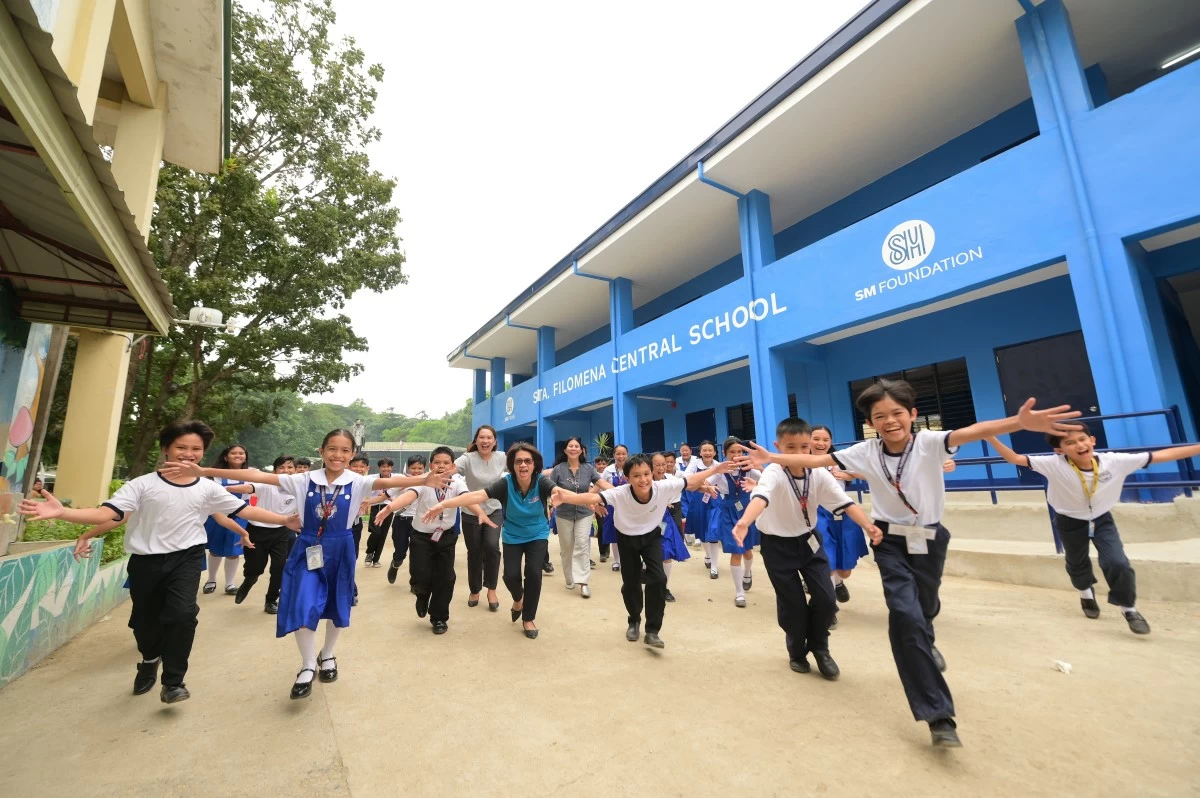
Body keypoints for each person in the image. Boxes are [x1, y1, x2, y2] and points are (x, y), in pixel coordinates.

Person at [736, 379, 1081, 747]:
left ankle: (925, 636)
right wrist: (771, 461)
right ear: (870, 422)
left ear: (913, 415)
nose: (889, 421)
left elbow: (974, 430)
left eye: (897, 413)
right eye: (879, 416)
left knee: (925, 606)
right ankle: (938, 715)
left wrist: (1017, 423)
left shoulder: (931, 442)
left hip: (930, 536)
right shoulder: (866, 452)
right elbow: (816, 459)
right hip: (891, 541)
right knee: (904, 614)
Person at [21, 421, 300, 703]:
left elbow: (244, 508)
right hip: (146, 561)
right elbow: (109, 513)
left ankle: (174, 681)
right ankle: (149, 660)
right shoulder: (141, 485)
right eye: (181, 447)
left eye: (196, 449)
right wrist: (63, 513)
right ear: (166, 449)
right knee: (144, 623)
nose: (188, 454)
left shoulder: (207, 488)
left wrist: (284, 520)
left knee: (182, 616)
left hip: (187, 559)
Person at [160, 428, 450, 699]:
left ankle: (328, 654)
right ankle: (308, 664)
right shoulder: (303, 479)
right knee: (303, 602)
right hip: (308, 547)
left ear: (352, 454)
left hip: (341, 547)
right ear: (322, 451)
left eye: (345, 450)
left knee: (338, 604)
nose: (338, 455)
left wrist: (422, 480)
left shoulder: (358, 481)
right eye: (332, 449)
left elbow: (389, 482)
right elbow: (258, 477)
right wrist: (204, 471)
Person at [987, 426, 1200, 634]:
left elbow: (1162, 455)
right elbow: (1015, 458)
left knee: (1117, 562)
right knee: (1077, 561)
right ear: (1059, 450)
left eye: (1082, 439)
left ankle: (1129, 609)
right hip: (1068, 519)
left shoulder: (1114, 462)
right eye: (1070, 443)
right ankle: (1085, 593)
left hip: (1101, 519)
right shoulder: (1052, 464)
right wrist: (991, 438)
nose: (1079, 445)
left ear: (1093, 440)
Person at [732, 418, 882, 680]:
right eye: (790, 447)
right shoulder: (774, 472)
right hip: (777, 546)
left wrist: (868, 526)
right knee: (793, 605)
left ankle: (820, 647)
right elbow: (761, 497)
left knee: (825, 599)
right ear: (778, 447)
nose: (799, 453)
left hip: (810, 541)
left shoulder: (819, 474)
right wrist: (745, 521)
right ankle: (797, 652)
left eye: (804, 446)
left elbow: (845, 503)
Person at [553, 453, 735, 648]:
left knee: (658, 579)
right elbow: (592, 496)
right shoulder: (620, 492)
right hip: (626, 538)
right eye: (637, 475)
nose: (643, 479)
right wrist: (566, 497)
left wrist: (716, 469)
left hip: (651, 537)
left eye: (646, 474)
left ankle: (652, 630)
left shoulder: (662, 487)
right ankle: (634, 620)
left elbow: (689, 481)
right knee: (631, 584)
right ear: (627, 478)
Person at [428, 442, 553, 639]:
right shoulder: (505, 483)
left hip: (537, 534)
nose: (523, 465)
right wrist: (444, 504)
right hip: (512, 535)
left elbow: (560, 493)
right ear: (511, 464)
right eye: (518, 461)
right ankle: (518, 598)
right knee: (510, 576)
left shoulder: (541, 482)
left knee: (534, 574)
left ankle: (528, 618)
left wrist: (591, 499)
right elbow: (477, 495)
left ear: (534, 464)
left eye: (528, 461)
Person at [375, 447, 494, 634]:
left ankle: (439, 618)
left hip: (445, 537)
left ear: (453, 466)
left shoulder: (457, 483)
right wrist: (390, 508)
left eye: (446, 463)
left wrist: (479, 512)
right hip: (421, 537)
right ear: (430, 465)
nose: (441, 466)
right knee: (420, 573)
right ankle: (421, 595)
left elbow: (466, 498)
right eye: (437, 462)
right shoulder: (425, 482)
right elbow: (409, 495)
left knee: (446, 578)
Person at [810, 426, 869, 605]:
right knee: (826, 561)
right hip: (817, 515)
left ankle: (839, 583)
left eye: (825, 439)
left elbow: (868, 474)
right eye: (816, 438)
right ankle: (829, 607)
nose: (821, 443)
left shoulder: (839, 459)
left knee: (844, 570)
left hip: (843, 514)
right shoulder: (803, 461)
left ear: (830, 442)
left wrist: (848, 475)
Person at [545, 437, 611, 599]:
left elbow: (602, 483)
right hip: (564, 514)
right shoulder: (558, 469)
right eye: (570, 446)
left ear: (581, 450)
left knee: (582, 545)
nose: (573, 448)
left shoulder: (588, 469)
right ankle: (569, 578)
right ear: (565, 450)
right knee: (567, 548)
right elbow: (550, 488)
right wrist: (552, 502)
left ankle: (583, 582)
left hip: (584, 513)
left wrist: (623, 492)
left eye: (576, 446)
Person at [235, 455, 298, 614]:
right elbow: (249, 488)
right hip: (257, 530)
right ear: (275, 470)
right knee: (255, 567)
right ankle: (249, 580)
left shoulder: (300, 488)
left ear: (295, 470)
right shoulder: (267, 483)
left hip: (281, 531)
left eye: (290, 467)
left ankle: (271, 600)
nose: (286, 471)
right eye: (281, 467)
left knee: (279, 567)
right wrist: (225, 490)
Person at [456, 426, 507, 610]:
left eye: (489, 438)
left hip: (494, 509)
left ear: (494, 441)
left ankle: (491, 588)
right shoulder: (467, 458)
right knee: (475, 552)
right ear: (475, 440)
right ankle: (475, 589)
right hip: (471, 511)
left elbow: (522, 468)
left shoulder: (502, 457)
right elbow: (451, 468)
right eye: (481, 437)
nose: (485, 441)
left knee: (492, 547)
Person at [709, 436, 761, 608]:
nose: (736, 455)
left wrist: (758, 481)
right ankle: (739, 593)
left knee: (747, 551)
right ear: (724, 453)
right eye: (732, 452)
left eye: (740, 451)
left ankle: (747, 573)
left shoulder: (750, 470)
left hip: (747, 511)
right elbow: (706, 481)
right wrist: (708, 486)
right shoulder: (719, 470)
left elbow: (766, 480)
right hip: (728, 513)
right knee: (736, 551)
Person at [201, 444, 253, 595]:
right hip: (217, 515)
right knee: (215, 550)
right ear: (225, 457)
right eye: (233, 453)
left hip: (240, 516)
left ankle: (230, 584)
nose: (238, 456)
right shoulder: (214, 476)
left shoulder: (251, 474)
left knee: (233, 550)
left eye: (241, 453)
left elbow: (251, 490)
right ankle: (211, 580)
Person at [653, 452, 692, 603]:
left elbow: (690, 484)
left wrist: (704, 486)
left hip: (668, 516)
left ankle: (664, 587)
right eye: (658, 465)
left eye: (664, 464)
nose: (662, 467)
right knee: (652, 551)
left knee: (666, 552)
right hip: (650, 518)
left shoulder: (672, 479)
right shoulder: (646, 480)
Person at [386, 455, 426, 585]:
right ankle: (395, 565)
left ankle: (414, 582)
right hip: (401, 521)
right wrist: (370, 501)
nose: (417, 471)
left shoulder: (428, 482)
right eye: (413, 468)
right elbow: (386, 495)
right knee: (400, 552)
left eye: (420, 468)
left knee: (417, 554)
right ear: (408, 468)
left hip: (418, 522)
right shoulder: (401, 481)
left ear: (425, 468)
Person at [685, 441, 720, 571]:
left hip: (715, 499)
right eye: (704, 450)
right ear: (700, 453)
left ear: (714, 452)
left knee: (713, 530)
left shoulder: (718, 465)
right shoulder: (694, 464)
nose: (707, 453)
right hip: (699, 499)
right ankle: (708, 555)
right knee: (702, 530)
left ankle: (714, 567)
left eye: (710, 450)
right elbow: (687, 476)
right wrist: (702, 484)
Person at [599, 444, 630, 572]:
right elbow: (600, 486)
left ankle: (628, 560)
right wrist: (599, 503)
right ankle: (617, 561)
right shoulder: (608, 470)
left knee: (628, 534)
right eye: (618, 454)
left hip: (629, 506)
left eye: (623, 454)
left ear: (627, 455)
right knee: (614, 534)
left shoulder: (631, 467)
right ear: (614, 455)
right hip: (612, 506)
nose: (621, 456)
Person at [363, 458, 396, 566]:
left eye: (388, 466)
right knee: (376, 532)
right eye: (383, 466)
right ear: (379, 468)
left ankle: (376, 559)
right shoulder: (373, 478)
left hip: (388, 508)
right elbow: (360, 478)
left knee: (383, 534)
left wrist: (387, 497)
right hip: (375, 507)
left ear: (392, 468)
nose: (386, 469)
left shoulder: (396, 479)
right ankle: (369, 553)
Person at [593, 456, 611, 561]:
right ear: (595, 465)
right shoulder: (593, 477)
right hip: (600, 505)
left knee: (610, 528)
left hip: (611, 505)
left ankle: (608, 547)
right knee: (601, 527)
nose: (601, 466)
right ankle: (603, 552)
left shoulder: (609, 474)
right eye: (599, 464)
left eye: (603, 464)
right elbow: (592, 491)